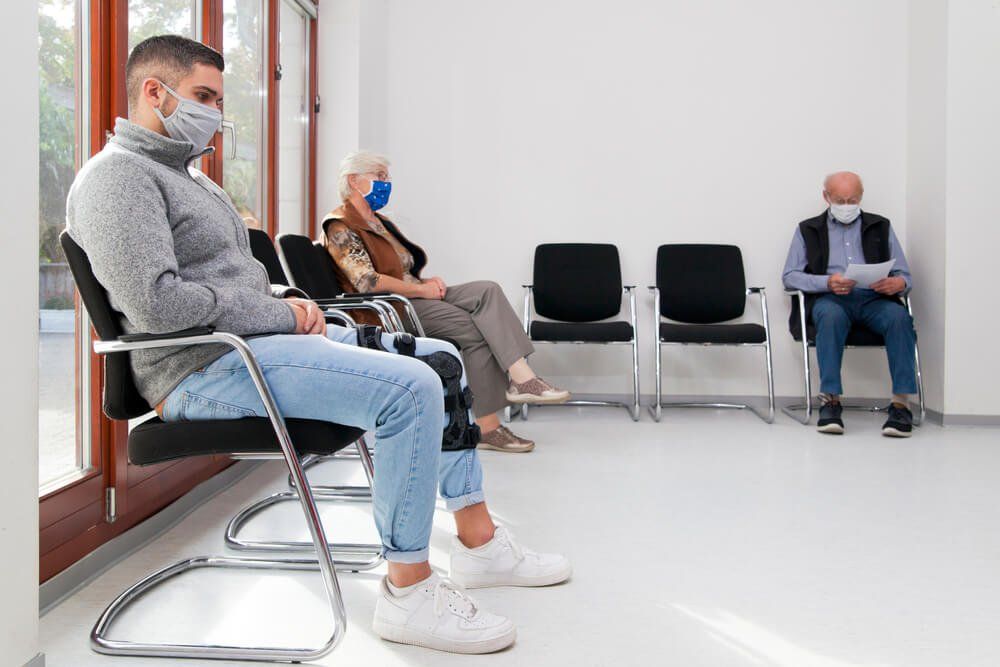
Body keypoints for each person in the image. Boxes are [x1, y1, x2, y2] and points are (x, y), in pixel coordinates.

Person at [66, 35, 570, 655]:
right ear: (153, 91)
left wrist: (287, 303)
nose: (214, 114)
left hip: (250, 345)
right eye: (202, 96)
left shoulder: (189, 179)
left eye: (218, 100)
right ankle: (409, 592)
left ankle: (480, 541)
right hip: (205, 368)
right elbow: (158, 302)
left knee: (440, 361)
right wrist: (278, 311)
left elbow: (236, 279)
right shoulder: (118, 180)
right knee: (410, 390)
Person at [321, 151, 570, 454]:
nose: (387, 183)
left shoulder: (379, 222)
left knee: (487, 290)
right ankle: (487, 428)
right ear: (354, 181)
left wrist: (425, 283)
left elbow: (401, 268)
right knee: (474, 328)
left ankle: (523, 379)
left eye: (387, 177)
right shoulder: (340, 226)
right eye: (380, 176)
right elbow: (367, 282)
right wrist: (422, 292)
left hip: (413, 292)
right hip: (391, 307)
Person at [782, 171, 918, 437]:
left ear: (861, 196)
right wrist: (826, 282)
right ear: (826, 197)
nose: (847, 206)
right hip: (832, 298)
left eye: (852, 199)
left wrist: (898, 284)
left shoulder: (881, 226)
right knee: (830, 318)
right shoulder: (808, 229)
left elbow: (905, 276)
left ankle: (901, 404)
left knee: (899, 318)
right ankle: (831, 401)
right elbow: (789, 276)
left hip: (874, 299)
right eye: (841, 200)